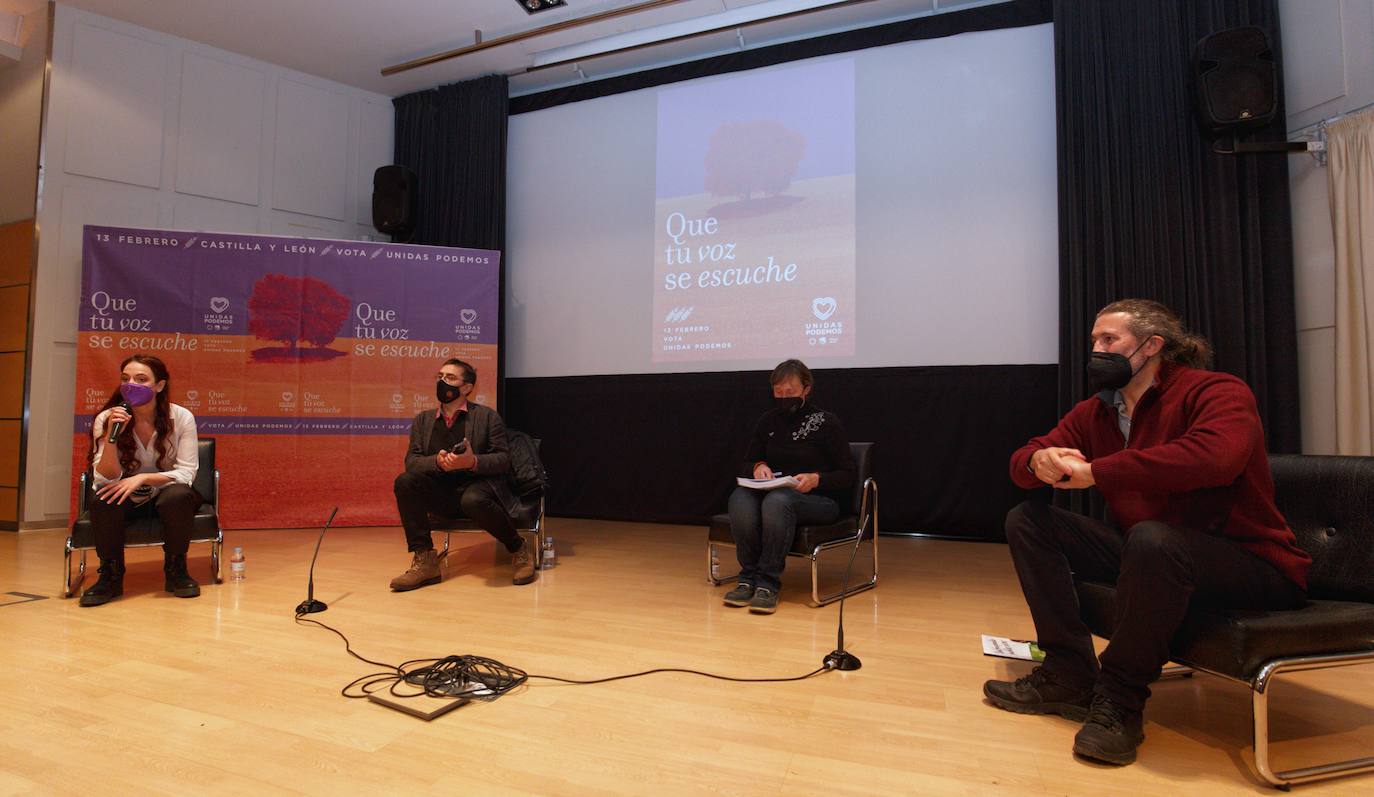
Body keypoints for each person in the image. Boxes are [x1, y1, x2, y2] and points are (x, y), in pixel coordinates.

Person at [984, 299, 1312, 766]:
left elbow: (1213, 458)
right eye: (1094, 340)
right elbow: (1026, 460)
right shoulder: (1097, 411)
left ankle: (1120, 699)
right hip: (1151, 552)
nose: (1096, 350)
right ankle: (1068, 672)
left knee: (1154, 539)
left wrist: (1100, 471)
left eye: (1109, 340)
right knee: (1029, 518)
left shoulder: (1217, 391)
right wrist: (1037, 461)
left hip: (1249, 561)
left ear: (1152, 346)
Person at [724, 359, 856, 614]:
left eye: (790, 391)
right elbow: (746, 461)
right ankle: (747, 577)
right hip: (775, 492)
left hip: (820, 500)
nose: (784, 397)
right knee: (740, 498)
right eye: (778, 392)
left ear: (806, 389)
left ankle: (768, 583)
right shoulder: (768, 421)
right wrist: (757, 467)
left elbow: (847, 474)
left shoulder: (826, 422)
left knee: (779, 501)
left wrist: (818, 478)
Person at [390, 358, 535, 590]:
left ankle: (518, 549)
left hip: (478, 492)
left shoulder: (487, 417)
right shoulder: (423, 420)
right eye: (439, 377)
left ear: (467, 388)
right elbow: (412, 462)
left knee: (473, 499)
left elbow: (503, 460)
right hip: (442, 495)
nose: (442, 382)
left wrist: (471, 461)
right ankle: (425, 560)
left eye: (450, 378)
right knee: (405, 482)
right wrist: (437, 462)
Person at [80, 354, 202, 607]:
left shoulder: (181, 417)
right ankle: (110, 575)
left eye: (141, 379)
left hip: (166, 490)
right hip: (125, 493)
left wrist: (143, 477)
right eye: (126, 379)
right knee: (103, 498)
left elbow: (187, 472)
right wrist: (113, 437)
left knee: (178, 495)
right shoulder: (107, 418)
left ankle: (176, 569)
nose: (131, 384)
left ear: (159, 385)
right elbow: (105, 476)